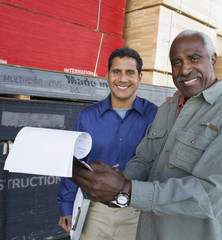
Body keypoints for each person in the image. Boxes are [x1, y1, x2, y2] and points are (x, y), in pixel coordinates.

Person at [69, 30, 222, 240]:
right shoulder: (167, 108)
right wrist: (114, 180)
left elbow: (211, 194)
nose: (185, 69)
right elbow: (144, 159)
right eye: (176, 62)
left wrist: (126, 189)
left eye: (194, 58)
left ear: (213, 59)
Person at [57, 47, 158, 239]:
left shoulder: (155, 116)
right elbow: (73, 163)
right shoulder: (87, 116)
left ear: (140, 77)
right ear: (107, 75)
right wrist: (66, 206)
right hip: (95, 213)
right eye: (116, 72)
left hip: (138, 213)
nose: (122, 79)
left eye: (130, 72)